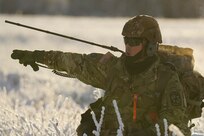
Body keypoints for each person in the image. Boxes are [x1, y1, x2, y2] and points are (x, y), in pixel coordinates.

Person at [11, 15, 191, 136]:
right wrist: (34, 55)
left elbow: (175, 124)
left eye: (134, 41)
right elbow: (73, 62)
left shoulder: (166, 78)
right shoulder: (113, 68)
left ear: (151, 45)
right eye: (126, 40)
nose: (128, 45)